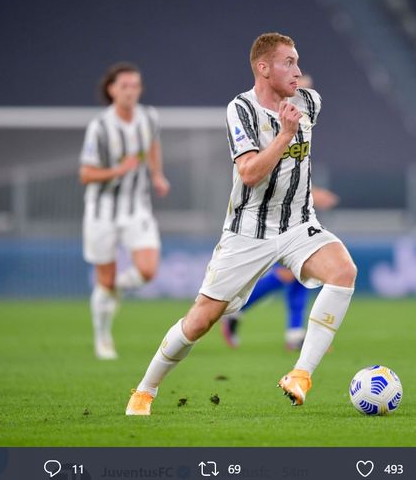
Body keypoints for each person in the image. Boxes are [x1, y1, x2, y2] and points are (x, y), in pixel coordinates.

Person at [126, 33, 357, 415]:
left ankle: (301, 374)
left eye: (298, 62)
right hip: (248, 231)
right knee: (200, 321)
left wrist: (293, 90)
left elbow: (299, 111)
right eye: (288, 62)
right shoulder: (241, 110)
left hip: (299, 223)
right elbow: (249, 173)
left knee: (343, 271)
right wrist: (284, 135)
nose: (298, 71)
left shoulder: (309, 103)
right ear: (262, 68)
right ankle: (145, 391)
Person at [79, 62, 170, 359]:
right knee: (103, 277)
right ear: (111, 90)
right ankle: (102, 337)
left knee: (147, 270)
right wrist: (118, 170)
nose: (131, 91)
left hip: (136, 208)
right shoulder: (100, 127)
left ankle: (112, 290)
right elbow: (85, 174)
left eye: (135, 85)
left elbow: (153, 145)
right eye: (124, 86)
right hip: (101, 211)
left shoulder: (149, 118)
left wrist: (157, 175)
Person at [221, 185, 339, 351]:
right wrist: (313, 194)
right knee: (287, 274)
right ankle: (235, 308)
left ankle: (295, 333)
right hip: (272, 222)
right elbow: (277, 181)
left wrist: (311, 193)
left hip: (292, 222)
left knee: (301, 273)